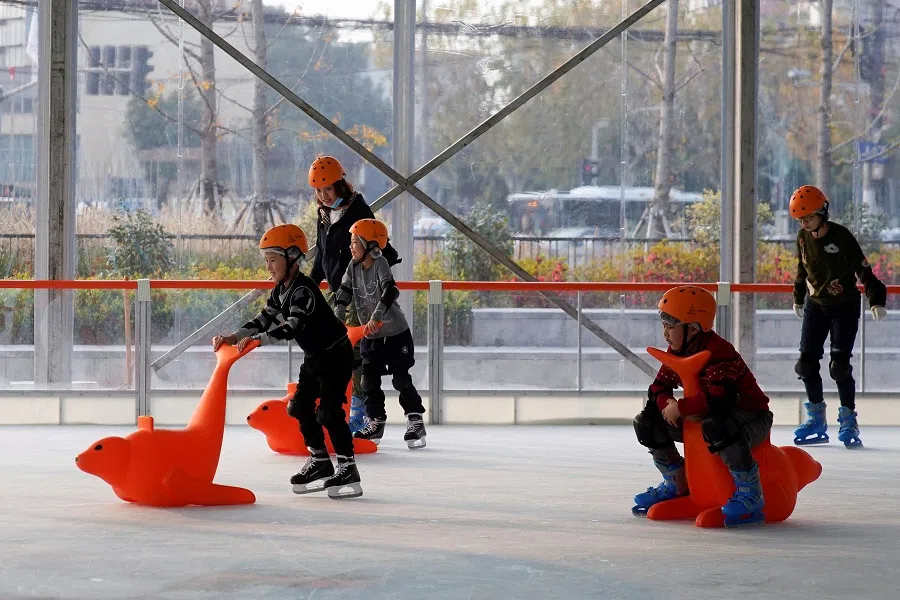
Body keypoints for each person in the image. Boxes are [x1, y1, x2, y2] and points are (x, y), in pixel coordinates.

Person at [212, 224, 362, 499]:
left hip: (335, 355)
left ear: (292, 257)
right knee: (298, 407)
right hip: (315, 356)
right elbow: (262, 319)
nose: (268, 267)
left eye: (273, 260)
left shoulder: (303, 290)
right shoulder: (281, 290)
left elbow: (292, 327)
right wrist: (233, 337)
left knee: (328, 413)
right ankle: (320, 460)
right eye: (266, 260)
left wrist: (258, 340)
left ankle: (348, 467)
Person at [632, 285, 774, 528]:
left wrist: (682, 408)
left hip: (751, 417)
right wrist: (668, 404)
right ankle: (677, 482)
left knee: (716, 425)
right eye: (664, 325)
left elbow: (721, 398)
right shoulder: (678, 351)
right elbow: (657, 387)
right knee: (647, 421)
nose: (665, 334)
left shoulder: (718, 352)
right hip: (705, 415)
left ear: (693, 327)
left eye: (671, 327)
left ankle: (750, 493)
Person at [307, 156, 401, 435]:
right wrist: (308, 287)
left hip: (359, 296)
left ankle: (360, 414)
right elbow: (322, 256)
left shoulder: (358, 210)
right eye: (319, 191)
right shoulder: (324, 215)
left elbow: (381, 250)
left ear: (340, 185)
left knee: (356, 354)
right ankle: (335, 407)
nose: (324, 196)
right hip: (339, 294)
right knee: (327, 349)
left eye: (328, 189)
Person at [789, 185, 888, 449]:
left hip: (844, 307)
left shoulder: (841, 236)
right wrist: (798, 297)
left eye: (808, 218)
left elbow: (863, 270)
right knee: (806, 364)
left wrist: (876, 300)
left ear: (822, 213)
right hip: (815, 305)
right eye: (800, 220)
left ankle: (848, 420)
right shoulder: (802, 237)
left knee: (839, 366)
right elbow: (802, 269)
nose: (804, 224)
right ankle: (816, 419)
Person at [333, 218, 427, 450]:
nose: (350, 247)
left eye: (355, 242)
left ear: (370, 245)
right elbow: (344, 292)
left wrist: (376, 316)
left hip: (395, 332)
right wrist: (337, 316)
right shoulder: (353, 266)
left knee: (400, 378)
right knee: (368, 380)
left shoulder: (380, 262)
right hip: (371, 335)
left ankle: (415, 420)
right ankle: (375, 421)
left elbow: (389, 290)